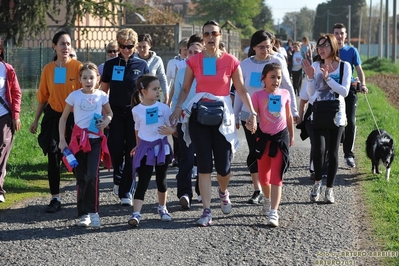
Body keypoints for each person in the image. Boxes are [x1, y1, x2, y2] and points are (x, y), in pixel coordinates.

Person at [170, 20, 258, 227]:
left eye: (214, 34)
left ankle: (223, 191)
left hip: (222, 116)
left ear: (220, 36)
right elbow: (184, 89)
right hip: (199, 114)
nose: (211, 37)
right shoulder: (195, 61)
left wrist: (252, 112)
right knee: (203, 164)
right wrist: (177, 107)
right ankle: (206, 210)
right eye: (207, 34)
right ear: (203, 37)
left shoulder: (230, 61)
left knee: (224, 167)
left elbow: (242, 90)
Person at [234, 30, 298, 204]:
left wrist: (294, 110)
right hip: (250, 116)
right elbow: (241, 91)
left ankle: (272, 185)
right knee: (255, 152)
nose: (265, 51)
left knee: (272, 154)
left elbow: (288, 87)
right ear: (253, 47)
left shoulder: (277, 61)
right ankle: (258, 189)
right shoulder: (245, 65)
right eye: (261, 47)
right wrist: (235, 115)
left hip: (273, 117)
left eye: (268, 47)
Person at [29, 31, 82, 213]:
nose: (65, 47)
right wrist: (35, 120)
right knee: (53, 157)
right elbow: (43, 97)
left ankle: (83, 193)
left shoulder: (78, 67)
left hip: (74, 118)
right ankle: (55, 197)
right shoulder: (48, 69)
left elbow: (88, 95)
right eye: (62, 43)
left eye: (68, 44)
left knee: (75, 157)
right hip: (53, 117)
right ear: (54, 46)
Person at [58, 62, 112, 228]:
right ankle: (83, 214)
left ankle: (94, 212)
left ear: (98, 79)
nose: (88, 81)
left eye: (92, 77)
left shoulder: (102, 95)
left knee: (92, 175)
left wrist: (106, 121)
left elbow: (109, 112)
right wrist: (62, 139)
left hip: (95, 140)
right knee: (81, 177)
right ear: (80, 79)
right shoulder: (74, 96)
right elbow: (63, 118)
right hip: (77, 143)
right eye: (85, 77)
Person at [101, 28, 149, 206]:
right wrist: (103, 113)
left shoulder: (142, 65)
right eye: (122, 46)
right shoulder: (111, 64)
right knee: (115, 149)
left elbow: (147, 91)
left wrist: (148, 115)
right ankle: (118, 178)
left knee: (131, 150)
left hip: (134, 114)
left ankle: (126, 191)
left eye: (129, 46)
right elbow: (103, 91)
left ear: (135, 46)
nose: (126, 50)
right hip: (114, 113)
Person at [302, 34, 351, 204]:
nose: (320, 49)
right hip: (319, 113)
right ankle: (317, 183)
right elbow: (310, 95)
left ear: (334, 47)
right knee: (318, 149)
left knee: (333, 152)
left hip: (337, 114)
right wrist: (310, 77)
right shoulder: (315, 65)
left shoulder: (345, 66)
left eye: (325, 45)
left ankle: (329, 189)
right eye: (319, 46)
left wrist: (328, 78)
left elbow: (344, 92)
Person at [128, 74, 175, 227]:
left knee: (161, 180)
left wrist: (170, 130)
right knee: (143, 181)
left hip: (161, 149)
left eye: (159, 89)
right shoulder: (136, 110)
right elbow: (137, 130)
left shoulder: (164, 108)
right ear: (143, 91)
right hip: (145, 150)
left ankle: (163, 208)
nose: (158, 92)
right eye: (154, 89)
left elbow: (173, 128)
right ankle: (136, 213)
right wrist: (138, 145)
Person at [251, 63, 294, 227]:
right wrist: (252, 120)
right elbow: (254, 113)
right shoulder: (258, 95)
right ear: (264, 78)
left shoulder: (285, 93)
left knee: (277, 177)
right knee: (263, 177)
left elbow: (288, 117)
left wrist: (291, 134)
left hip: (280, 138)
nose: (276, 80)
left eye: (279, 77)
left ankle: (274, 212)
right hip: (263, 139)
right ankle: (267, 200)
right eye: (273, 77)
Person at [171, 38, 203, 209]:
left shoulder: (208, 70)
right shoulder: (182, 72)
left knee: (203, 158)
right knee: (186, 157)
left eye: (196, 53)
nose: (192, 55)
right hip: (184, 119)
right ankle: (184, 193)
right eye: (189, 52)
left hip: (204, 120)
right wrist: (174, 118)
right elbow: (177, 96)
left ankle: (201, 191)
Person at [333, 23, 369, 168]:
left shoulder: (352, 51)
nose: (339, 36)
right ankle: (331, 154)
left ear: (345, 35)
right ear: (333, 35)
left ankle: (349, 154)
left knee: (351, 122)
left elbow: (359, 70)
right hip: (334, 91)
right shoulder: (330, 51)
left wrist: (363, 84)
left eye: (342, 33)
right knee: (335, 122)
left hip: (350, 91)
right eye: (336, 33)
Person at [0, 38, 22, 203]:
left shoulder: (7, 69)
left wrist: (15, 115)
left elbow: (16, 93)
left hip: (4, 117)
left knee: (1, 152)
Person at [135, 34, 168, 104]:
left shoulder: (157, 60)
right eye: (139, 47)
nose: (141, 49)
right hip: (136, 96)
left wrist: (166, 95)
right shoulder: (133, 59)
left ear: (150, 46)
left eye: (144, 47)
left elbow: (162, 79)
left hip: (152, 96)